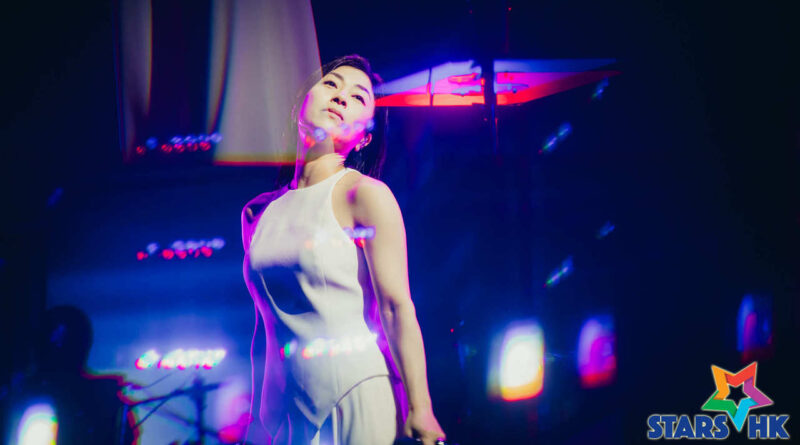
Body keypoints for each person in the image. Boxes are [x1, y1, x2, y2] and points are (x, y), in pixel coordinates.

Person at [241, 55, 446, 445]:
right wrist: (256, 417)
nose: (340, 98)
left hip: (356, 391)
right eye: (331, 84)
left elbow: (395, 306)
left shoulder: (364, 195)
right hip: (288, 411)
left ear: (365, 136)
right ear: (299, 105)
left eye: (358, 97)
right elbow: (263, 324)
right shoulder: (257, 212)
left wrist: (421, 407)